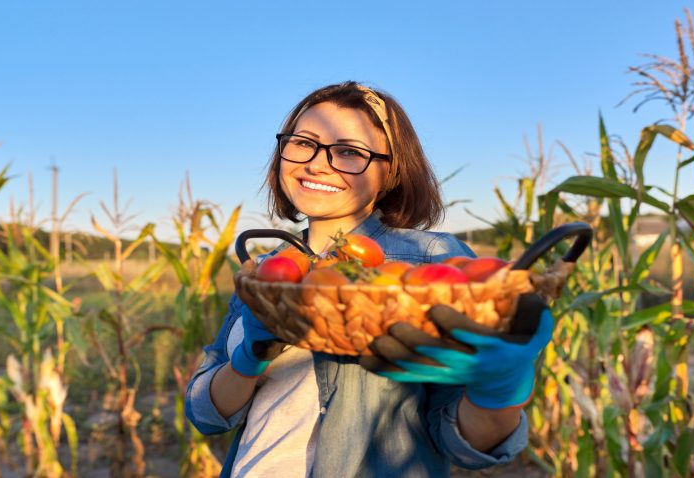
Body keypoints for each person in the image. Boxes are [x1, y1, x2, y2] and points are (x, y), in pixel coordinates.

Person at [185, 81, 553, 477]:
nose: (316, 163)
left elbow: (467, 444)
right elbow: (206, 414)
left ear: (391, 172)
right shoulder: (263, 273)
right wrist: (249, 359)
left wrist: (497, 391)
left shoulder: (432, 262)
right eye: (303, 142)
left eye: (348, 152)